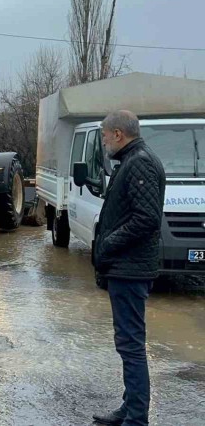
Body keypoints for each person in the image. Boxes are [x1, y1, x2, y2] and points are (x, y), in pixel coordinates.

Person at [92, 110, 165, 426]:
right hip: (125, 266)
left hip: (130, 268)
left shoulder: (140, 163)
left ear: (118, 134)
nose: (105, 141)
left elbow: (146, 219)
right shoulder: (133, 160)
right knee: (128, 343)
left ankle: (136, 418)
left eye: (106, 136)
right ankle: (129, 407)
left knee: (131, 345)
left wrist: (107, 244)